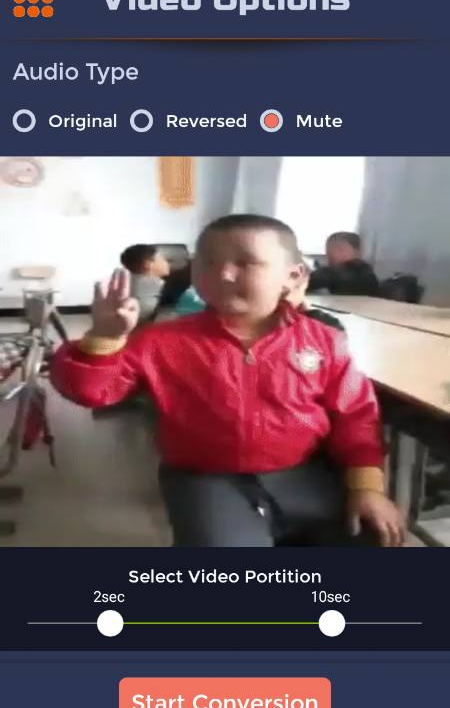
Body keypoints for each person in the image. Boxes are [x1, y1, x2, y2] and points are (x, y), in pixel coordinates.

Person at [50, 214, 403, 548]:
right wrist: (104, 339)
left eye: (246, 262)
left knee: (368, 536)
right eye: (207, 262)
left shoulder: (324, 340)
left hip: (304, 472)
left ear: (293, 276)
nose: (224, 274)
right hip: (206, 477)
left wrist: (367, 487)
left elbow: (355, 416)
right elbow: (91, 392)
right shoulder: (161, 341)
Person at [308, 232, 380, 297]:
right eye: (328, 250)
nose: (333, 254)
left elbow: (312, 280)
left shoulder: (357, 270)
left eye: (340, 250)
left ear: (357, 252)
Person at [120, 244, 170, 322]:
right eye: (163, 259)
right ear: (148, 264)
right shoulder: (155, 292)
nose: (167, 263)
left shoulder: (126, 285)